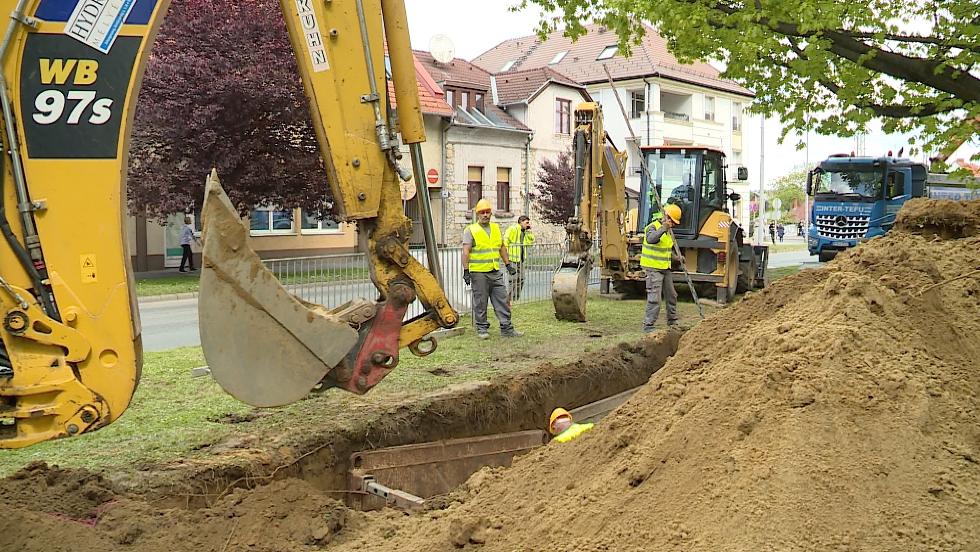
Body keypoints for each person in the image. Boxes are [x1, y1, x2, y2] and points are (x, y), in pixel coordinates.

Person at [462, 199, 523, 340]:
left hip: (495, 271)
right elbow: (466, 251)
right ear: (478, 214)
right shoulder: (470, 230)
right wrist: (466, 271)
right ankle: (482, 328)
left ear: (491, 213)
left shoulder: (495, 228)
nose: (485, 215)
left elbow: (501, 247)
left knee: (502, 299)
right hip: (479, 273)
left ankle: (506, 328)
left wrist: (508, 264)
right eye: (482, 212)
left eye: (487, 212)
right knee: (481, 301)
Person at [641, 204, 682, 332]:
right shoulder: (653, 227)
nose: (674, 225)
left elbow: (665, 250)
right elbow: (651, 239)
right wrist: (664, 228)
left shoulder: (668, 231)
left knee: (672, 295)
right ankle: (648, 325)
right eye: (673, 222)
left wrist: (676, 258)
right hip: (653, 268)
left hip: (665, 268)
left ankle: (672, 321)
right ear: (666, 217)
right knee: (655, 298)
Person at [503, 215, 534, 301]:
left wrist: (529, 232)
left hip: (521, 259)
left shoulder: (525, 232)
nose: (528, 224)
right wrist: (506, 255)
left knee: (521, 279)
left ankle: (515, 298)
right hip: (512, 258)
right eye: (526, 222)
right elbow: (505, 240)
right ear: (521, 222)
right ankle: (508, 300)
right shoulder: (513, 229)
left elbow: (530, 243)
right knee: (512, 280)